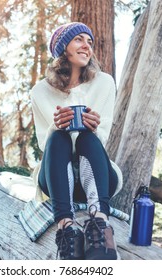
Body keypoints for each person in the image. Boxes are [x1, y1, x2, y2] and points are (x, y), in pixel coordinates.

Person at [30, 22, 122, 260]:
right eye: (79, 40)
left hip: (96, 174)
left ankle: (100, 225)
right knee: (57, 137)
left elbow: (102, 137)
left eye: (89, 42)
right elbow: (44, 144)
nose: (86, 46)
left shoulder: (104, 82)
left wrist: (93, 126)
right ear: (63, 49)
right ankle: (66, 229)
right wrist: (56, 125)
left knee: (86, 137)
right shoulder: (40, 92)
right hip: (57, 178)